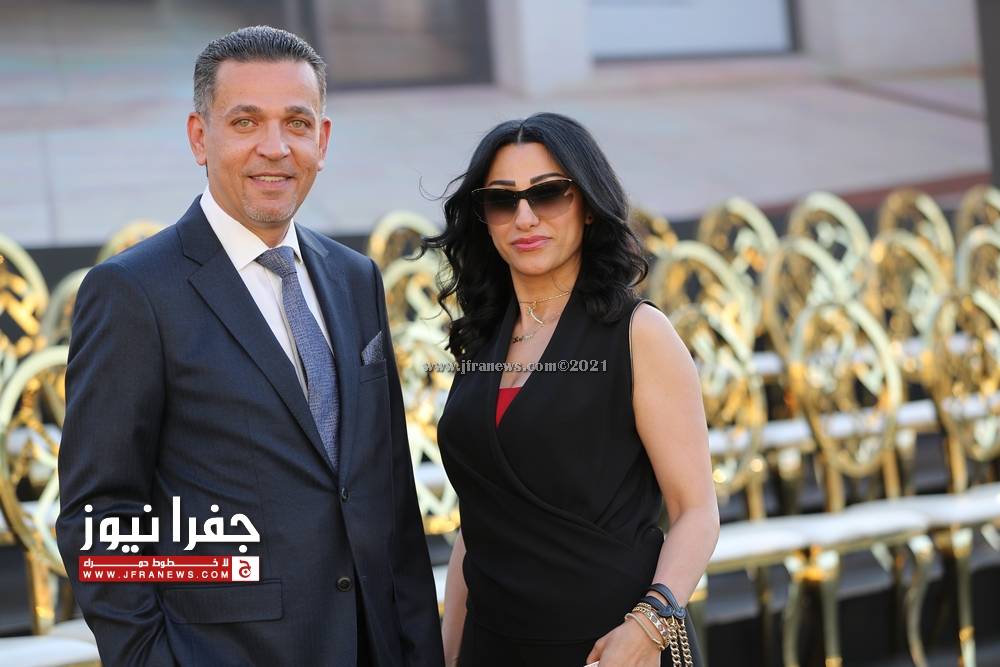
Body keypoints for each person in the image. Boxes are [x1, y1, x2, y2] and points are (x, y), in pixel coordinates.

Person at [56, 26, 444, 667]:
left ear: (322, 140)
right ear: (198, 137)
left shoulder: (355, 279)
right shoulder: (133, 292)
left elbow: (390, 496)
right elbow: (100, 512)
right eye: (245, 122)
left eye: (297, 123)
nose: (275, 147)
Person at [423, 112, 720, 666]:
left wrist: (648, 625)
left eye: (548, 193)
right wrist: (448, 648)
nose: (525, 217)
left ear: (587, 204)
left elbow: (696, 511)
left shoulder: (639, 333)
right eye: (502, 200)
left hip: (611, 646)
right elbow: (480, 520)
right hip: (495, 644)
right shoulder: (483, 338)